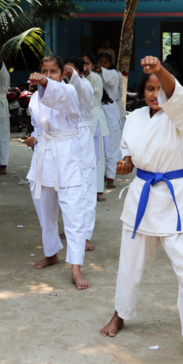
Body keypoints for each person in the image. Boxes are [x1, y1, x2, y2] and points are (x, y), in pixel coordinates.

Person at [99, 56, 183, 364]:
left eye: (160, 88)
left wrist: (159, 71)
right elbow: (129, 155)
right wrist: (127, 164)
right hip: (142, 198)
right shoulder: (137, 117)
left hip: (174, 200)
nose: (155, 95)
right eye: (149, 89)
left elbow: (174, 94)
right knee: (130, 264)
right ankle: (120, 315)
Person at [25, 55, 90, 290]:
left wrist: (44, 83)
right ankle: (51, 252)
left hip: (66, 157)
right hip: (43, 156)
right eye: (45, 71)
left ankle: (75, 268)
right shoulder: (34, 97)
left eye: (53, 71)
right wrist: (32, 139)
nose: (49, 75)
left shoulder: (70, 91)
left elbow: (59, 98)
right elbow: (36, 126)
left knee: (73, 213)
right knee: (45, 210)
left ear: (63, 73)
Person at [65, 57, 97, 252]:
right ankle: (71, 228)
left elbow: (80, 90)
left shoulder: (85, 85)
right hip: (65, 139)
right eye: (65, 71)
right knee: (67, 187)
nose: (68, 74)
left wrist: (73, 75)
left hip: (83, 137)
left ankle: (85, 235)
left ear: (81, 72)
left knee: (86, 187)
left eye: (73, 71)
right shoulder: (59, 88)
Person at [83, 53, 110, 202]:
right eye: (82, 63)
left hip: (96, 121)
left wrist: (86, 71)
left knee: (98, 157)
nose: (84, 66)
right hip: (82, 122)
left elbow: (89, 79)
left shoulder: (95, 78)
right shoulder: (78, 79)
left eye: (87, 63)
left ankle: (98, 190)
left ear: (93, 66)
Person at [98, 52, 123, 189]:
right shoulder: (93, 76)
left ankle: (110, 177)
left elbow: (117, 93)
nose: (102, 64)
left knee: (112, 144)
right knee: (100, 144)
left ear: (111, 64)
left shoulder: (114, 74)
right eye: (100, 61)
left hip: (111, 111)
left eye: (105, 62)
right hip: (96, 111)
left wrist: (100, 70)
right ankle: (100, 174)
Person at [0, 55, 11, 175]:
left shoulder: (4, 76)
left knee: (3, 136)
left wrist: (0, 63)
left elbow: (3, 73)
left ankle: (3, 164)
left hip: (1, 106)